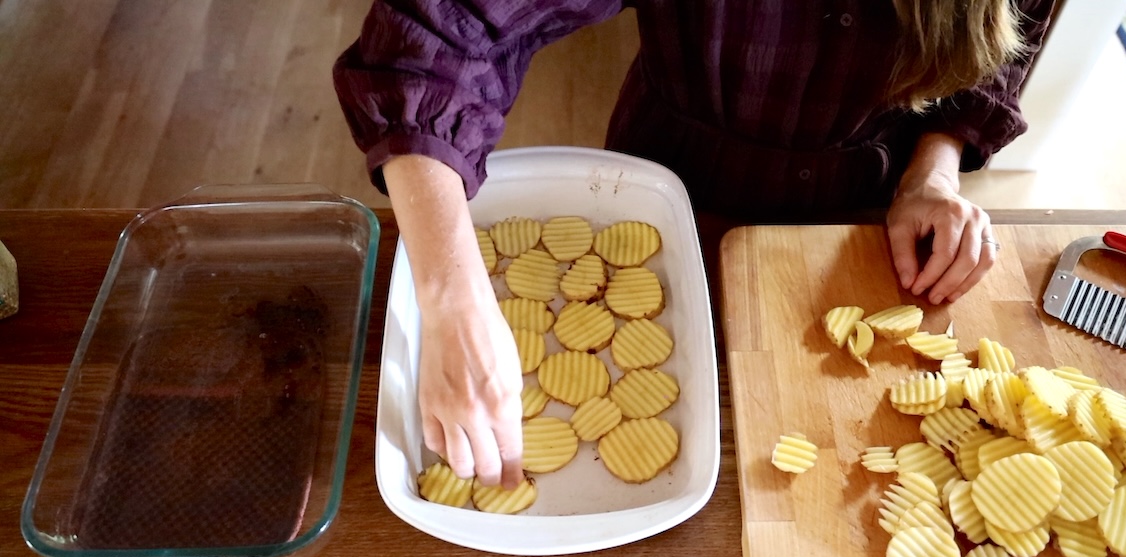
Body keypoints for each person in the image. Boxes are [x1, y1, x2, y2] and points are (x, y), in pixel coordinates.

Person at [333, 0, 1056, 489]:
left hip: (873, 230)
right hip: (673, 185)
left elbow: (1004, 34)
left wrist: (933, 170)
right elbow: (441, 27)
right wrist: (452, 294)